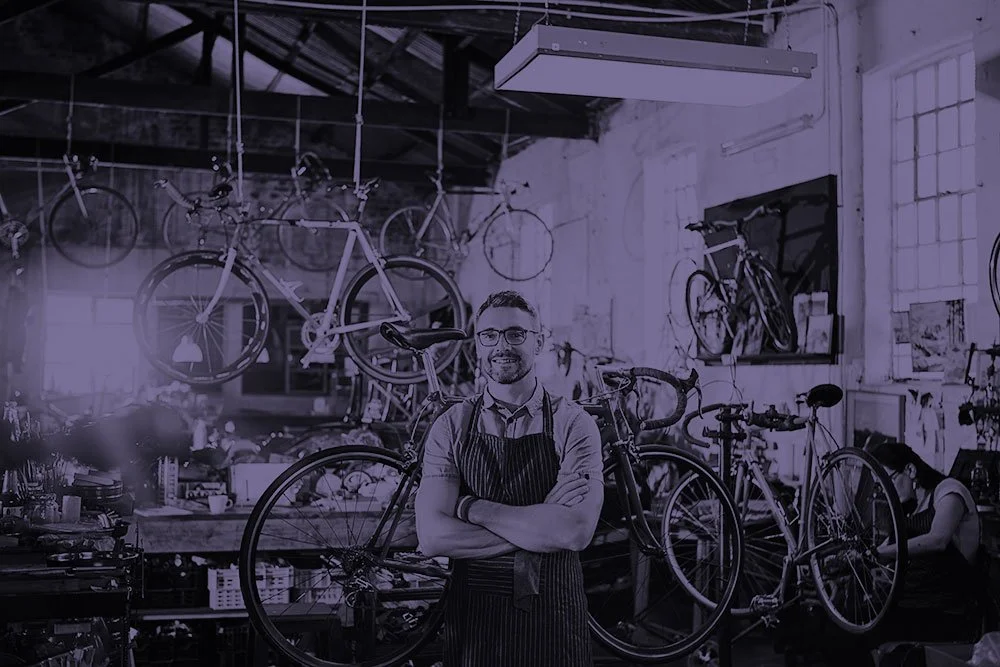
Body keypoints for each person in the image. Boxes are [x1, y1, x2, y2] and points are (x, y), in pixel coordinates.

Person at [415, 290, 604, 667]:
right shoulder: (451, 426)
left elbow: (573, 533)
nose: (502, 345)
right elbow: (433, 537)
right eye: (490, 335)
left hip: (554, 623)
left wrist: (470, 507)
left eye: (516, 334)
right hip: (475, 627)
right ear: (477, 345)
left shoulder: (574, 424)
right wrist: (541, 522)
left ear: (539, 342)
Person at [870, 441, 983, 639]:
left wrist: (880, 554)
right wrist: (862, 557)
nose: (885, 491)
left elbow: (937, 539)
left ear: (910, 470)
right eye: (880, 487)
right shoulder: (911, 506)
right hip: (912, 601)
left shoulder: (949, 491)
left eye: (888, 482)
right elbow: (886, 546)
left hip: (945, 608)